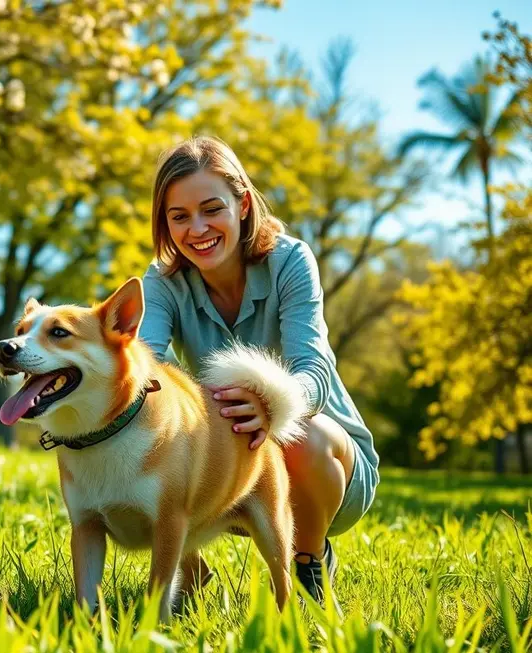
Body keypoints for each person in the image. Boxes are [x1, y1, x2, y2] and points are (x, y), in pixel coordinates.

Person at [137, 135, 380, 605]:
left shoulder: (290, 260)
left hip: (323, 469)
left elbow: (313, 370)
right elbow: (147, 365)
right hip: (227, 469)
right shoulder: (163, 281)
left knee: (300, 437)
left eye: (212, 208)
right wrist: (207, 412)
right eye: (179, 216)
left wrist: (272, 406)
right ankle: (190, 568)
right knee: (148, 426)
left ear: (243, 204)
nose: (198, 228)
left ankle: (307, 563)